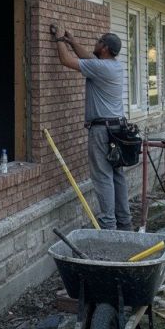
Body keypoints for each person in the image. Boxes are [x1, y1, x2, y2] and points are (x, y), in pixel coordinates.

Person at [50, 25, 132, 230]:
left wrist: (59, 40)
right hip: (117, 129)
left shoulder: (101, 68)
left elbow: (66, 61)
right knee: (117, 175)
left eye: (98, 41)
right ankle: (125, 222)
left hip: (102, 131)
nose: (94, 43)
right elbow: (90, 58)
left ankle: (108, 227)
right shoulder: (113, 66)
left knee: (102, 176)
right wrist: (72, 41)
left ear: (103, 47)